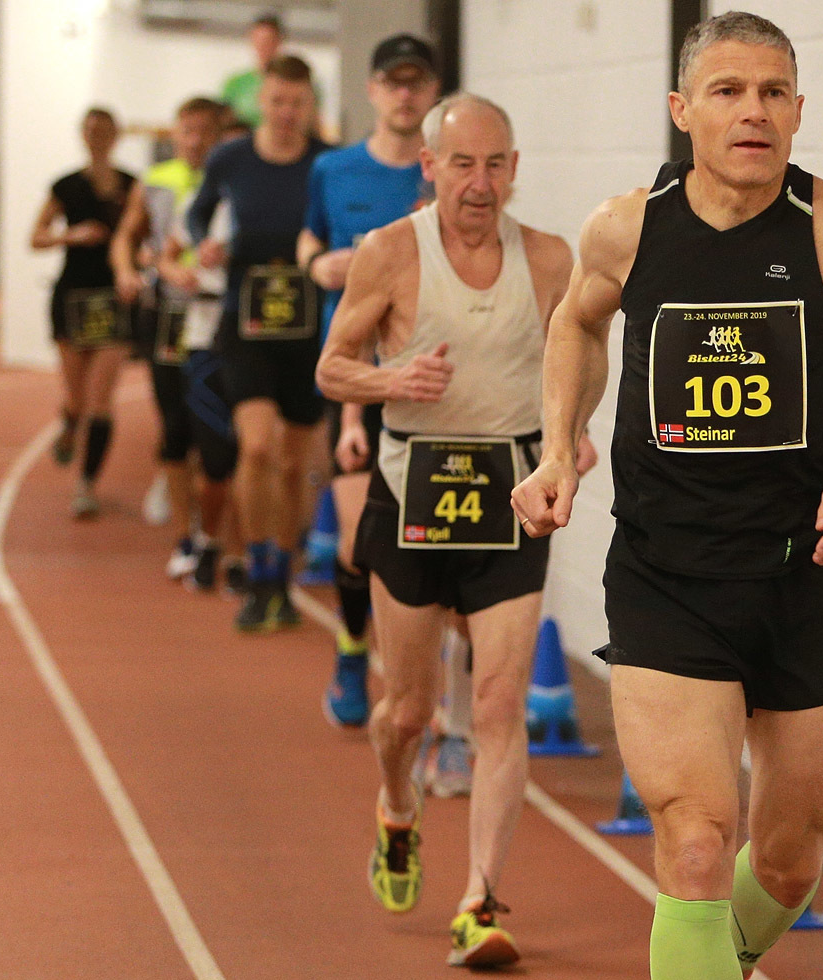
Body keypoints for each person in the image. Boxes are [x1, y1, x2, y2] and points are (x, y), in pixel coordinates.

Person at [511, 13, 823, 980]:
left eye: (773, 93)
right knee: (697, 841)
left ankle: (715, 962)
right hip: (668, 574)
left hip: (804, 575)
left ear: (798, 111)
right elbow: (576, 326)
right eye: (729, 91)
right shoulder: (626, 228)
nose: (754, 112)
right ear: (682, 110)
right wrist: (556, 450)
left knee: (789, 863)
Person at [316, 93, 594, 969]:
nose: (480, 183)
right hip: (414, 494)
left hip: (510, 497)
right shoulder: (389, 253)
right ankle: (398, 808)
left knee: (497, 703)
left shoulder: (548, 257)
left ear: (515, 169)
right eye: (462, 165)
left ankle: (479, 900)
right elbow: (332, 368)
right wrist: (391, 382)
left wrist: (571, 434)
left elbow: (582, 356)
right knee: (406, 714)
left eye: (495, 164)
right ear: (429, 167)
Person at [297, 32, 440, 726]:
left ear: (433, 92)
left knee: (423, 546)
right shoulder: (333, 169)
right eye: (393, 82)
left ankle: (423, 690)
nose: (405, 95)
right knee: (358, 544)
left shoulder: (444, 173)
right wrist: (314, 264)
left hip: (432, 377)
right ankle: (353, 649)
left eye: (417, 83)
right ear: (374, 90)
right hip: (356, 378)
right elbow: (308, 237)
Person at [186, 54, 330, 631]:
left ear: (310, 104)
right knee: (257, 448)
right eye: (277, 101)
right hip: (245, 325)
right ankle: (257, 565)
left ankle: (281, 578)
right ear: (262, 101)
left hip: (306, 328)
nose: (286, 112)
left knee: (294, 464)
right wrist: (204, 244)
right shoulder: (231, 158)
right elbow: (198, 214)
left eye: (297, 102)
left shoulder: (326, 162)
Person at [111, 96, 222, 579]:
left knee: (215, 430)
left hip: (219, 313)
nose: (194, 141)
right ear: (174, 135)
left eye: (204, 132)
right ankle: (185, 533)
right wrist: (125, 271)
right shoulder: (155, 182)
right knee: (175, 424)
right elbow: (125, 237)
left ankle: (221, 532)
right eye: (186, 131)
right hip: (169, 315)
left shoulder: (229, 178)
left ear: (219, 134)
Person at [29, 107, 137, 519]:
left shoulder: (132, 185)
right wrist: (71, 235)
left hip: (113, 297)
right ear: (82, 135)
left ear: (116, 135)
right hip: (72, 297)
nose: (98, 137)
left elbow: (142, 232)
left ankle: (86, 484)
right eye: (91, 131)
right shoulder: (66, 186)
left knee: (100, 400)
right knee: (76, 399)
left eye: (105, 130)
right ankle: (70, 423)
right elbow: (36, 236)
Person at [221, 11, 284, 129]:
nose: (263, 46)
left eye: (269, 40)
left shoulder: (293, 84)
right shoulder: (235, 83)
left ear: (279, 41)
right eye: (259, 40)